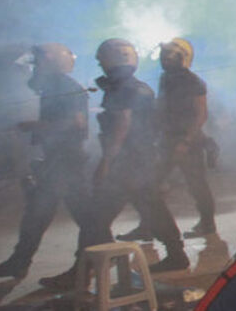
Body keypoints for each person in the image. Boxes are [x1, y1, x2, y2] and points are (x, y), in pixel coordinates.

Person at [39, 39, 188, 289]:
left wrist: (106, 162)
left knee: (96, 220)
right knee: (153, 207)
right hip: (142, 161)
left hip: (126, 165)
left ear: (114, 59)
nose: (99, 63)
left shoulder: (122, 89)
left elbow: (122, 126)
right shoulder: (138, 87)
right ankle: (177, 255)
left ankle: (81, 273)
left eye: (102, 58)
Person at [0, 43, 91, 279]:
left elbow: (76, 123)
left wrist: (34, 126)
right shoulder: (54, 87)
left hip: (66, 162)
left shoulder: (63, 86)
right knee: (42, 214)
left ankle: (84, 267)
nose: (34, 70)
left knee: (77, 217)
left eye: (37, 64)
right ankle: (20, 262)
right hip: (59, 161)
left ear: (49, 63)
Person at [118, 38, 217, 240]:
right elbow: (162, 107)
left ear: (181, 58)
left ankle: (207, 225)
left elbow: (200, 115)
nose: (163, 61)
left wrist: (186, 141)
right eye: (162, 57)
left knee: (196, 185)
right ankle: (147, 227)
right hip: (167, 140)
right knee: (150, 184)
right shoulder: (166, 79)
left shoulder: (193, 82)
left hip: (187, 142)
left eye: (168, 57)